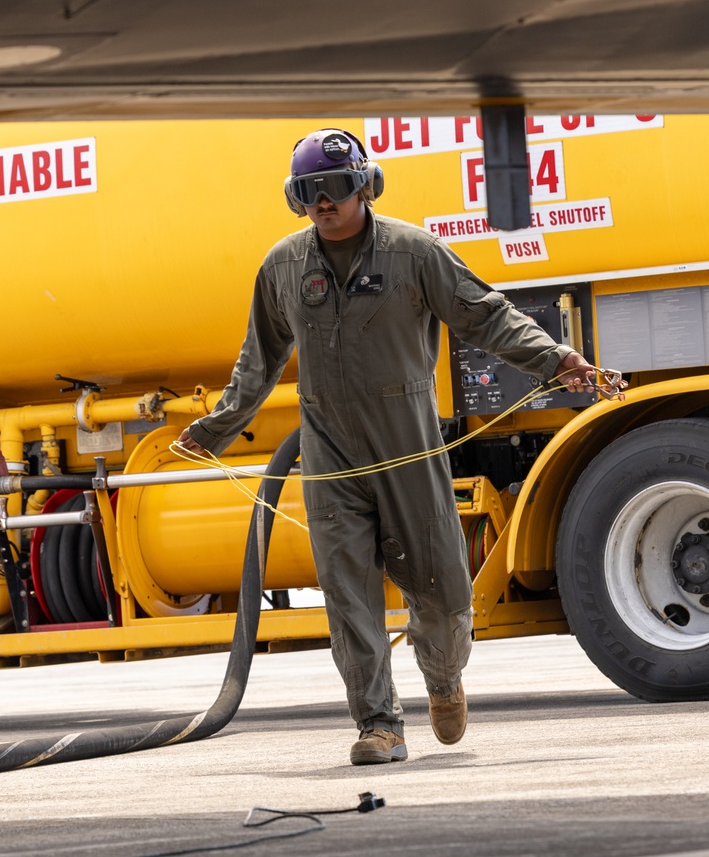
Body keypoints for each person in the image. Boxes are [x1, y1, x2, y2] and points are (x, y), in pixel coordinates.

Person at [177, 127, 607, 765]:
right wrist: (213, 428)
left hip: (408, 447)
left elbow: (485, 314)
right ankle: (378, 724)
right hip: (329, 458)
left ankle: (442, 677)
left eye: (335, 186)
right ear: (296, 198)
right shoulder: (283, 267)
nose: (324, 201)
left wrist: (557, 358)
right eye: (309, 191)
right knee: (348, 595)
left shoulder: (414, 253)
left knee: (442, 590)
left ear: (364, 185)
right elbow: (258, 360)